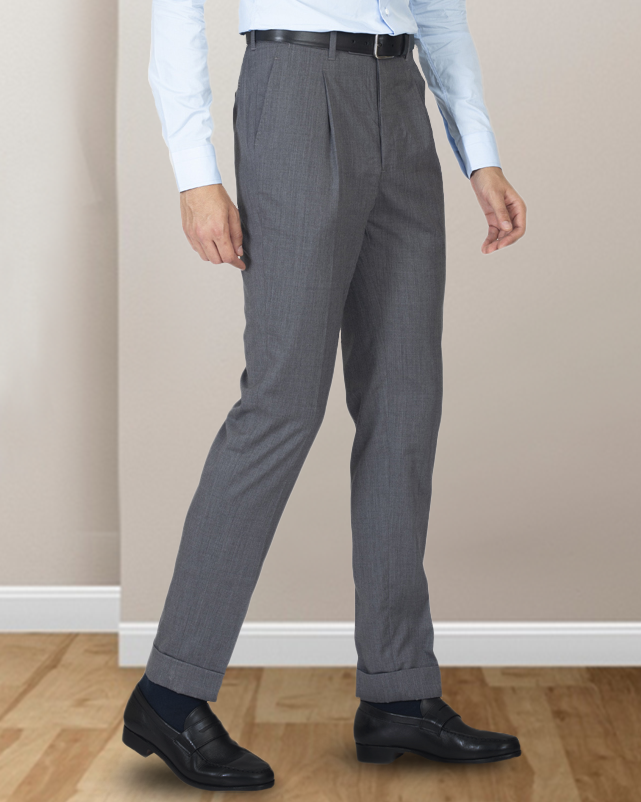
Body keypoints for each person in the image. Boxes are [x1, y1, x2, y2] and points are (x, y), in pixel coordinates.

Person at [122, 0, 527, 792]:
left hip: (400, 100)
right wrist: (195, 174)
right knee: (281, 405)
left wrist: (479, 155)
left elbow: (438, 14)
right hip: (294, 89)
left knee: (405, 405)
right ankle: (168, 694)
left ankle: (399, 692)